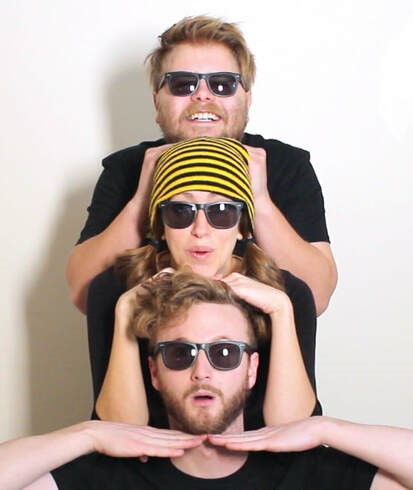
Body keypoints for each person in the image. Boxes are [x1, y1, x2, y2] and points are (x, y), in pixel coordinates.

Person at [2, 272, 412, 490]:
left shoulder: (308, 474)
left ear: (251, 370)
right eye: (180, 353)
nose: (202, 371)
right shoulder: (109, 477)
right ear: (154, 372)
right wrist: (90, 434)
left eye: (224, 353)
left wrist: (325, 428)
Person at [66, 14, 337, 316]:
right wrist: (143, 199)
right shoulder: (126, 168)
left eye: (222, 84)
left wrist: (259, 201)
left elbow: (316, 296)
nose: (202, 95)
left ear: (247, 98)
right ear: (157, 102)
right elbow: (82, 293)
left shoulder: (286, 165)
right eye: (182, 84)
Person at [90, 136, 318, 430]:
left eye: (221, 212)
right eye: (180, 212)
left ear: (242, 226)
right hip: (150, 458)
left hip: (258, 456)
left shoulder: (285, 292)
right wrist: (125, 312)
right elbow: (119, 432)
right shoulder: (116, 289)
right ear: (161, 225)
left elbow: (293, 431)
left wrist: (282, 311)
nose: (200, 230)